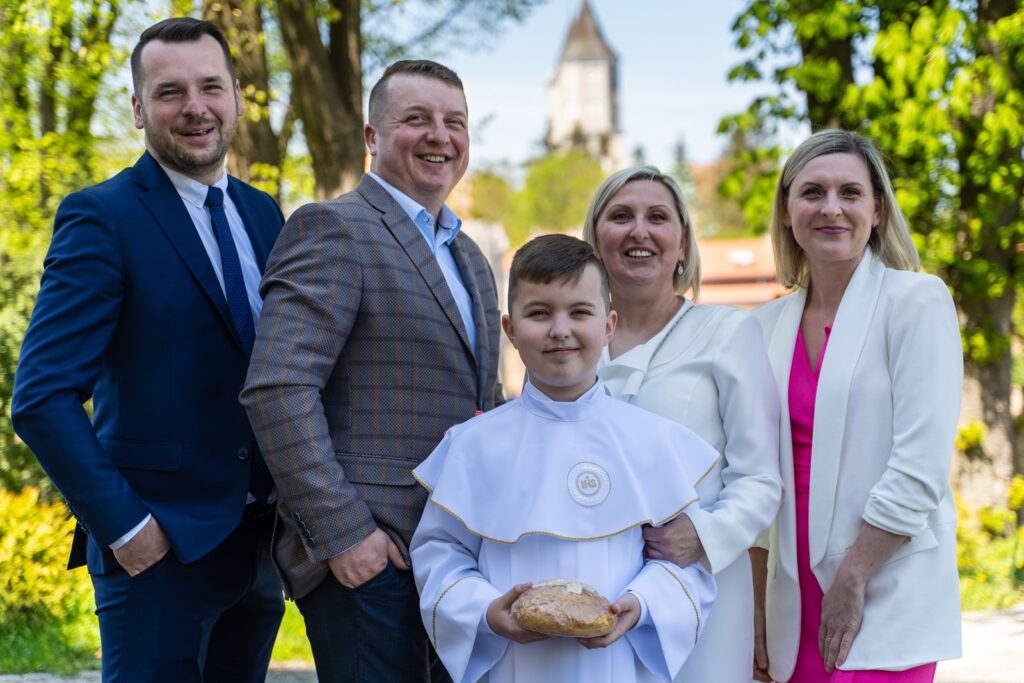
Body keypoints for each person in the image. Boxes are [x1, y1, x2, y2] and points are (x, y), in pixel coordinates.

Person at [10, 17, 285, 682]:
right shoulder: (101, 217)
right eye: (169, 92)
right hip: (159, 556)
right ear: (138, 109)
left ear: (236, 97)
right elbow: (41, 396)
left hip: (258, 551)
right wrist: (127, 529)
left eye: (210, 87)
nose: (195, 107)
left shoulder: (263, 214)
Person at [240, 59, 503, 682]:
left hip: (457, 559)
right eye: (417, 119)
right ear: (372, 137)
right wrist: (344, 534)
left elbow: (483, 400)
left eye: (455, 122)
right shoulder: (334, 228)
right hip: (371, 557)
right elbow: (278, 387)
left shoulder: (468, 255)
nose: (440, 136)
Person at [410, 233, 717, 683]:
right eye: (539, 313)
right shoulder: (473, 446)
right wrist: (486, 610)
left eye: (579, 312)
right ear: (510, 330)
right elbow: (441, 554)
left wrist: (641, 604)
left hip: (619, 665)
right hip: (513, 667)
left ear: (609, 326)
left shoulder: (653, 441)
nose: (560, 330)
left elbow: (682, 563)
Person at [751, 129, 962, 682]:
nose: (831, 208)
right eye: (812, 192)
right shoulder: (762, 326)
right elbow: (752, 473)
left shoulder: (915, 301)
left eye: (850, 192)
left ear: (877, 209)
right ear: (787, 210)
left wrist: (853, 576)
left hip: (881, 582)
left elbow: (920, 466)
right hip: (789, 597)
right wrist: (754, 606)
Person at [582, 166, 783, 682]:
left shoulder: (728, 332)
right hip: (595, 590)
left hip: (699, 590)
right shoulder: (573, 342)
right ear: (595, 239)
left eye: (657, 217)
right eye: (620, 216)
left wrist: (704, 534)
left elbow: (760, 478)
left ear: (684, 242)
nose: (639, 231)